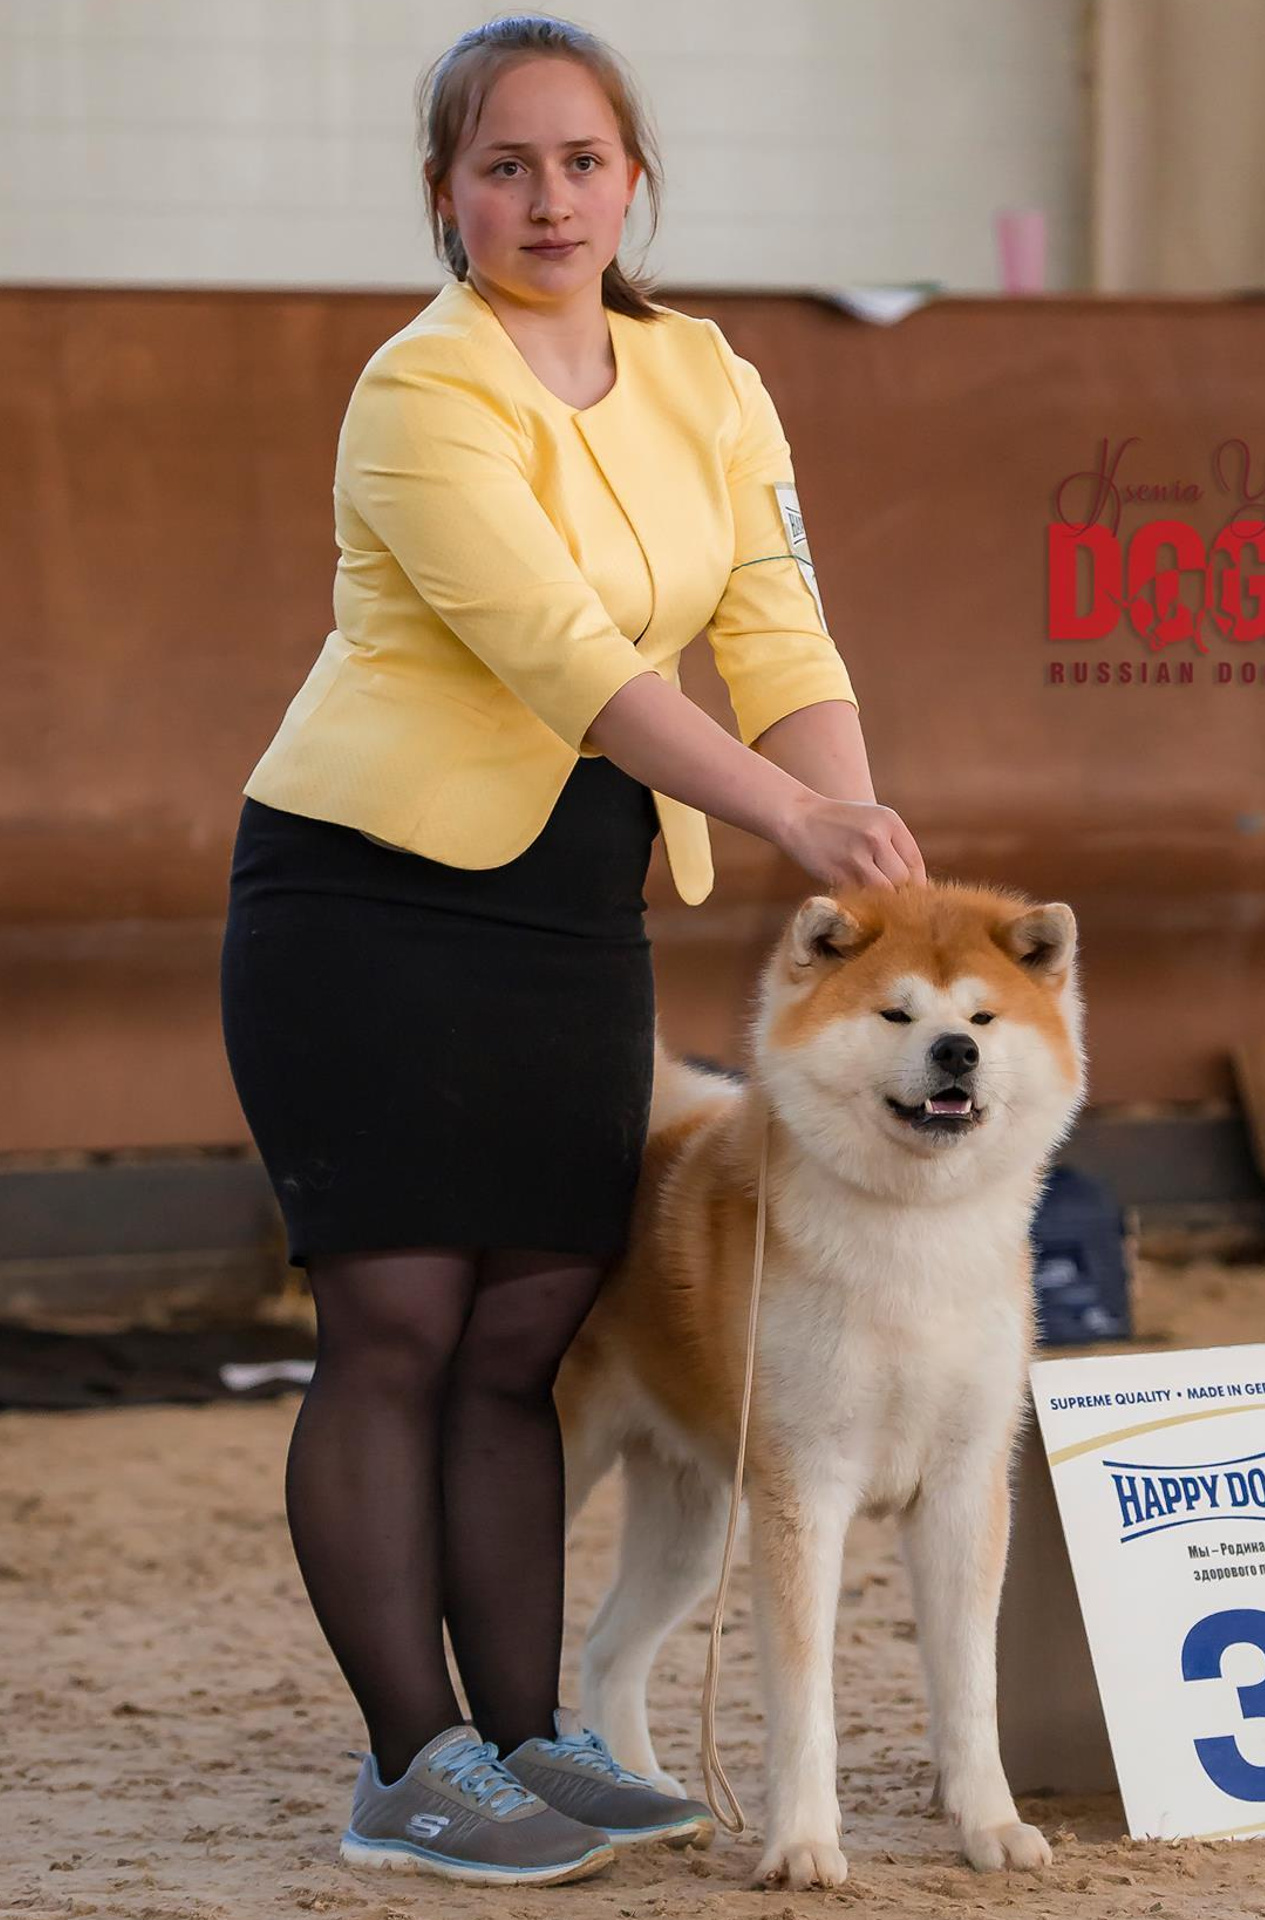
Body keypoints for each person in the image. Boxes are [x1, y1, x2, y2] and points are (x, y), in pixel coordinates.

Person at [218, 13, 926, 1888]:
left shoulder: (713, 381)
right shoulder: (419, 392)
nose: (548, 198)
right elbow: (575, 664)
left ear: (637, 183)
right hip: (364, 903)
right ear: (445, 195)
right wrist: (789, 825)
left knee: (526, 1329)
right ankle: (407, 1764)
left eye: (581, 161)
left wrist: (856, 861)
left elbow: (777, 629)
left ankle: (528, 1735)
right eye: (504, 165)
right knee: (396, 1324)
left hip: (570, 911)